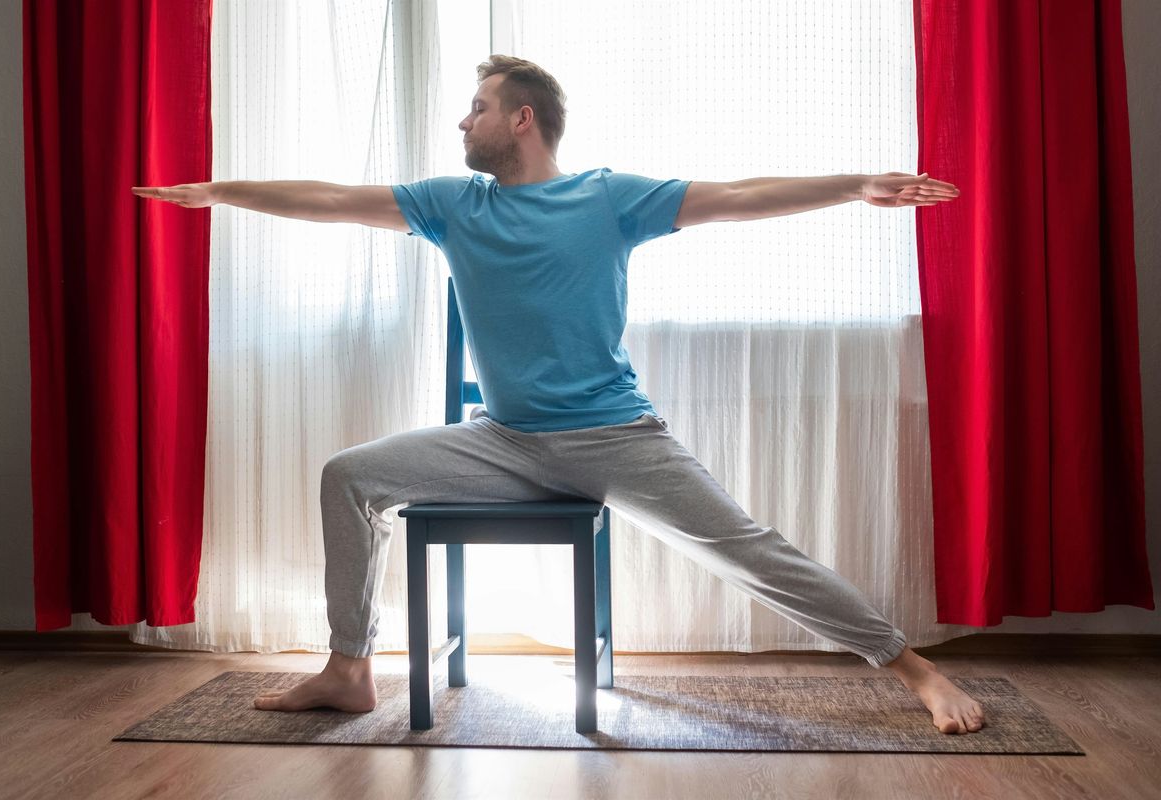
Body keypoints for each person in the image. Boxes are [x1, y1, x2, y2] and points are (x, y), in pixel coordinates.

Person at [133, 55, 982, 735]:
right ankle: (349, 670)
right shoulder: (451, 205)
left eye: (476, 107)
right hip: (502, 441)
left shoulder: (606, 198)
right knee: (349, 474)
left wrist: (855, 184)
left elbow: (736, 198)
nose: (462, 121)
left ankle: (915, 670)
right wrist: (220, 194)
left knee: (752, 551)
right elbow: (328, 201)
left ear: (521, 118)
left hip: (616, 439)